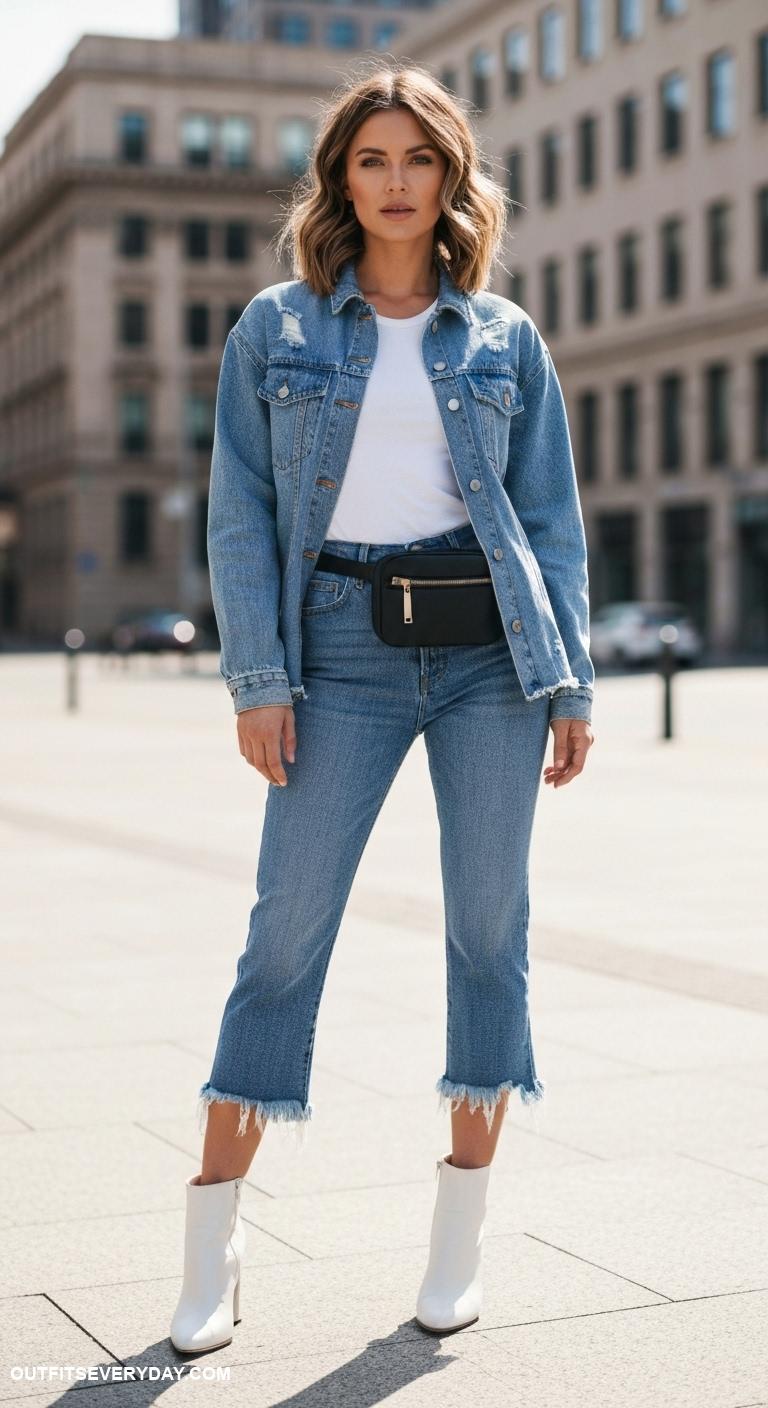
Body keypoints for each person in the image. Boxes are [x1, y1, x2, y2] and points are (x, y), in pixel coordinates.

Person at [169, 62, 595, 1355]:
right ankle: (211, 1247)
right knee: (285, 933)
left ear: (452, 177)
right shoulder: (277, 328)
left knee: (489, 932)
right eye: (373, 159)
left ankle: (459, 1240)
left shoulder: (504, 337)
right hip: (339, 651)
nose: (397, 181)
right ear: (341, 180)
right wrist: (260, 680)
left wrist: (568, 679)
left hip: (489, 659)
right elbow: (239, 513)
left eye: (420, 159)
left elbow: (549, 523)